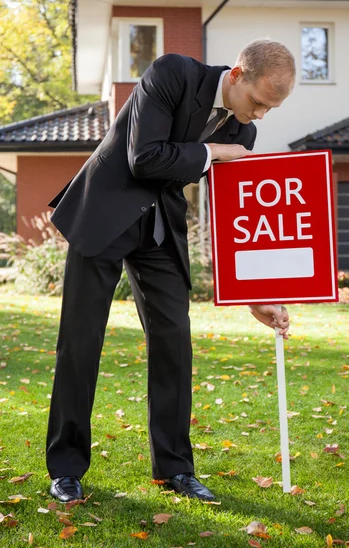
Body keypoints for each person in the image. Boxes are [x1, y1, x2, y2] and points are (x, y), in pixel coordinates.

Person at [46, 39, 294, 503]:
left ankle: (175, 468)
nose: (260, 116)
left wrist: (251, 293)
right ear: (237, 75)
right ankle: (66, 468)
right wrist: (213, 153)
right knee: (80, 344)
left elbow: (231, 220)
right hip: (104, 211)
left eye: (270, 109)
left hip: (161, 228)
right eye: (258, 102)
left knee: (175, 343)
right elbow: (145, 157)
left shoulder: (243, 133)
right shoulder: (172, 73)